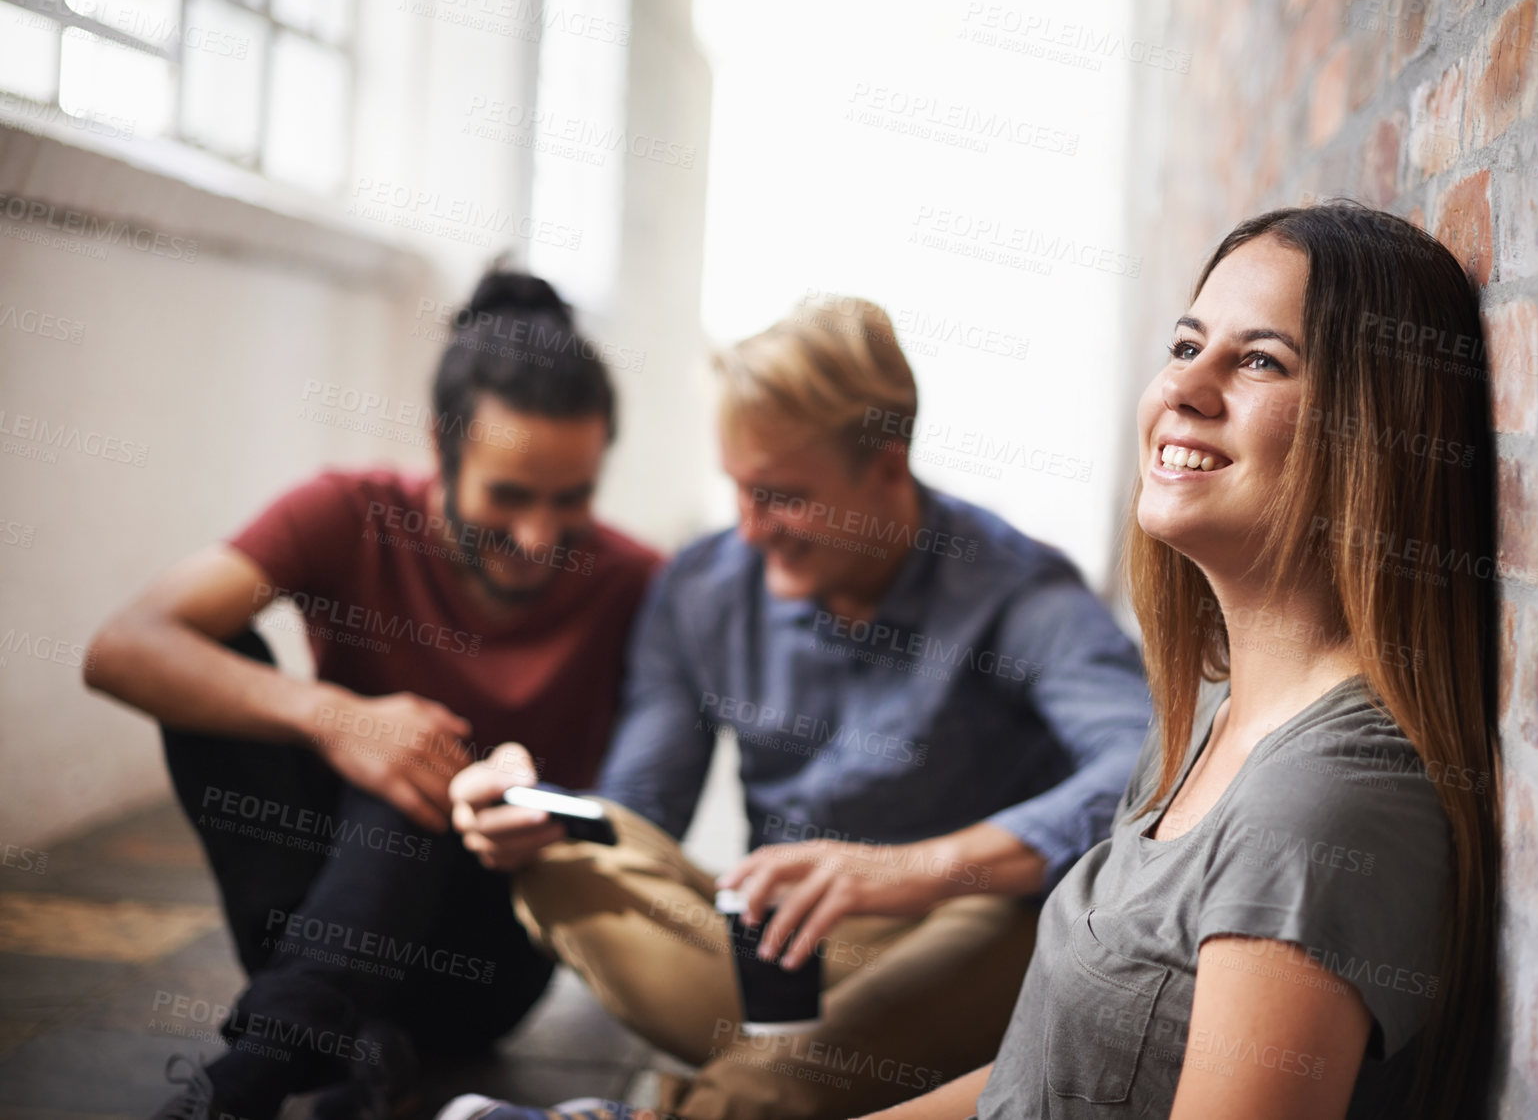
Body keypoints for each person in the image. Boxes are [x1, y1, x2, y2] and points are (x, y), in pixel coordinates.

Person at [859, 201, 1502, 1119]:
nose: (1183, 389)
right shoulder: (1203, 724)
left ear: (1371, 435)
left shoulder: (1321, 805)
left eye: (1257, 360)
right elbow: (1028, 1090)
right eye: (1185, 345)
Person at [439, 295, 1155, 1120]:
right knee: (561, 862)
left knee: (1024, 912)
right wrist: (532, 810)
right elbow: (644, 807)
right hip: (772, 950)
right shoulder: (702, 588)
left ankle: (710, 1101)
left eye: (779, 496)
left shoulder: (1013, 588)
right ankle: (830, 1074)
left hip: (951, 937)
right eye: (737, 489)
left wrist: (905, 868)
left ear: (887, 468)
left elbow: (1146, 763)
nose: (748, 528)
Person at [84, 271, 661, 1120]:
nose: (540, 537)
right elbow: (123, 646)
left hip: (485, 963)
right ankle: (354, 1047)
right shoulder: (347, 511)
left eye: (570, 498)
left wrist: (525, 801)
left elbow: (650, 802)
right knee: (227, 661)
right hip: (323, 921)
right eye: (508, 495)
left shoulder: (638, 582)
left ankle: (253, 1073)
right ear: (441, 443)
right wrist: (338, 716)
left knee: (419, 777)